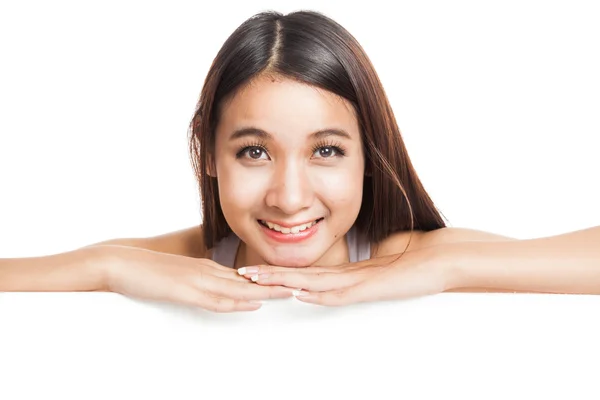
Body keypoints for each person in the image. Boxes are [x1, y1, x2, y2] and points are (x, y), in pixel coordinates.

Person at [1, 10, 598, 312]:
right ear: (210, 153)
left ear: (369, 158)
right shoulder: (191, 260)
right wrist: (105, 267)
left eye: (327, 151)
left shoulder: (408, 257)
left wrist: (447, 272)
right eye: (254, 151)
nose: (289, 197)